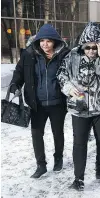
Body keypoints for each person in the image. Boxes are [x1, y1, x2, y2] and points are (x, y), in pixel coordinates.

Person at [57, 22, 100, 191]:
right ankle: (79, 178)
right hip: (79, 108)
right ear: (82, 46)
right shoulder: (72, 57)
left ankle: (99, 164)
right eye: (87, 47)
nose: (91, 51)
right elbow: (61, 75)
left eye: (94, 47)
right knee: (79, 143)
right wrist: (69, 89)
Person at [10, 24, 70, 178]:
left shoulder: (64, 55)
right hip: (37, 104)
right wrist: (14, 85)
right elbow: (19, 72)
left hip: (58, 103)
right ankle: (41, 165)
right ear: (38, 41)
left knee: (58, 133)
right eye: (42, 40)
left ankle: (58, 158)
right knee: (36, 134)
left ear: (55, 42)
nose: (45, 44)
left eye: (49, 41)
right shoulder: (29, 54)